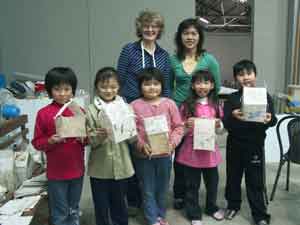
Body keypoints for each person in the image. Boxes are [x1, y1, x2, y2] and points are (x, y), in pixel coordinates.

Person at [117, 9, 172, 212]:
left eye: (154, 26)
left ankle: (155, 202)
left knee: (157, 158)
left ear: (159, 30)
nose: (150, 29)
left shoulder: (164, 55)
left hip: (158, 114)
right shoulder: (128, 51)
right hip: (134, 111)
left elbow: (165, 86)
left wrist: (167, 110)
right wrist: (123, 109)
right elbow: (119, 80)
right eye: (146, 26)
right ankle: (134, 201)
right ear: (140, 28)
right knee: (135, 155)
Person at [171, 18, 221, 209]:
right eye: (186, 33)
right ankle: (180, 194)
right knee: (180, 155)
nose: (190, 37)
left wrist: (213, 112)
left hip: (203, 113)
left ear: (199, 37)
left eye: (194, 33)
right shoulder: (173, 59)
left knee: (200, 151)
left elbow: (215, 89)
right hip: (179, 112)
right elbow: (168, 87)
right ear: (180, 36)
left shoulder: (209, 60)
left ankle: (201, 197)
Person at [223, 60, 277, 225]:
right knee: (233, 177)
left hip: (255, 145)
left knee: (255, 180)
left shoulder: (265, 96)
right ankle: (233, 205)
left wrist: (269, 119)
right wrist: (233, 116)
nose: (245, 77)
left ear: (255, 75)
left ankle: (259, 214)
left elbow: (272, 119)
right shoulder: (232, 98)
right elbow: (225, 122)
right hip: (235, 144)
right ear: (235, 78)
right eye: (241, 74)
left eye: (249, 73)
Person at [32, 67, 85, 225]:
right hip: (56, 174)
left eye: (67, 89)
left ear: (73, 90)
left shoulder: (78, 111)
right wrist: (50, 141)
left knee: (74, 209)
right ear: (49, 91)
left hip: (77, 171)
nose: (62, 93)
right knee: (60, 212)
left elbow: (87, 139)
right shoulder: (44, 113)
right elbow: (37, 142)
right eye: (57, 89)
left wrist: (85, 138)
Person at [130, 67, 184, 225]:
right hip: (143, 156)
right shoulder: (133, 105)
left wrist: (172, 143)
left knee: (162, 188)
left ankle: (160, 215)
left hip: (165, 155)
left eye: (156, 83)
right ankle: (152, 219)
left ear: (162, 85)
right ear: (140, 86)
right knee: (147, 188)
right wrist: (140, 145)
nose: (152, 87)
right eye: (147, 84)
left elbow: (179, 127)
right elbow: (130, 131)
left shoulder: (169, 104)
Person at [86, 67, 135, 225]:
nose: (108, 90)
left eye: (113, 87)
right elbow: (88, 140)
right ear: (96, 87)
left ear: (119, 87)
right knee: (101, 206)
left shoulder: (126, 108)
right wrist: (98, 136)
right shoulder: (91, 110)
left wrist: (130, 131)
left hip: (122, 165)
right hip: (100, 168)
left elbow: (133, 138)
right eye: (104, 87)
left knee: (120, 204)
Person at [176, 70, 224, 225]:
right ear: (192, 85)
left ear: (212, 85)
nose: (202, 86)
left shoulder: (216, 105)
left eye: (206, 82)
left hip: (209, 153)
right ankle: (194, 213)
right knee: (192, 185)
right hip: (192, 153)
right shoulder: (186, 105)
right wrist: (186, 125)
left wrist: (219, 124)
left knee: (212, 183)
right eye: (198, 82)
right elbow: (179, 129)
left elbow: (221, 130)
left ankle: (211, 207)